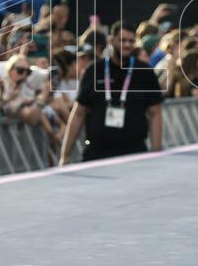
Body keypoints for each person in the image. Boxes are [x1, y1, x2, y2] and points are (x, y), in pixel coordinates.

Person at [59, 21, 164, 164]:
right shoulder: (94, 70)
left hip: (135, 154)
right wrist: (65, 156)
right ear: (111, 41)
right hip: (97, 154)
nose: (127, 45)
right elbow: (78, 113)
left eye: (131, 41)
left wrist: (156, 151)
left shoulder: (144, 72)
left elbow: (155, 113)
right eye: (122, 40)